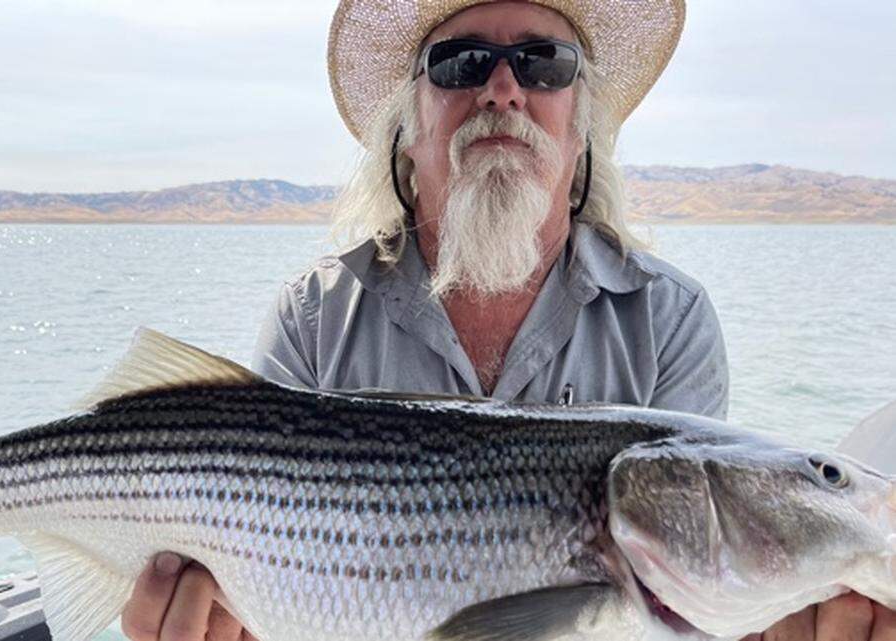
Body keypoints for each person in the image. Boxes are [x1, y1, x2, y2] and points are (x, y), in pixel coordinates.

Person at [119, 2, 896, 640]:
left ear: (579, 127)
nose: (500, 90)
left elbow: (680, 600)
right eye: (459, 63)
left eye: (542, 63)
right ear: (407, 129)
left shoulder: (670, 317)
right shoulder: (315, 316)